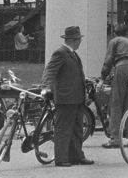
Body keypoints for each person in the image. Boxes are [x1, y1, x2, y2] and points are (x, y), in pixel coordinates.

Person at [40, 25, 95, 167]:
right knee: (64, 129)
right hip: (65, 98)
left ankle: (76, 156)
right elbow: (50, 71)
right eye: (79, 39)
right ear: (74, 40)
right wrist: (45, 87)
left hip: (76, 97)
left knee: (77, 129)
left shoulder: (72, 54)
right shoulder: (61, 53)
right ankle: (61, 158)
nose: (80, 42)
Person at [99, 22, 128, 148]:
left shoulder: (115, 41)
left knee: (115, 103)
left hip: (121, 67)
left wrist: (103, 77)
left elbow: (109, 60)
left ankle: (115, 138)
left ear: (115, 32)